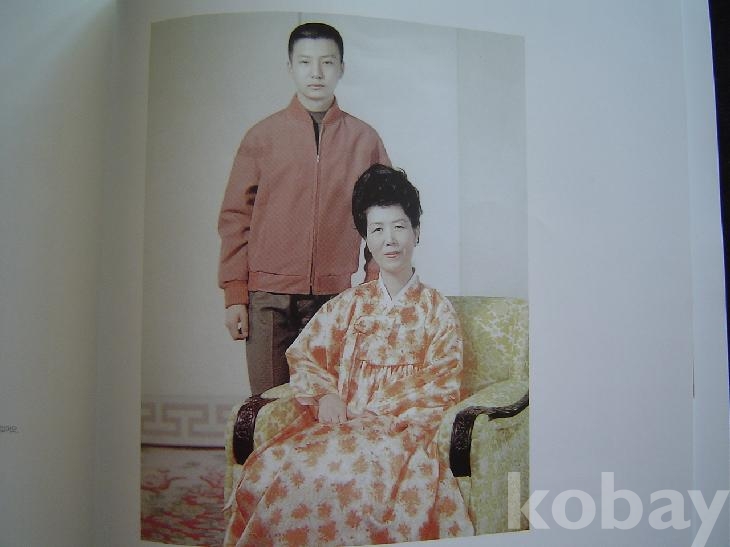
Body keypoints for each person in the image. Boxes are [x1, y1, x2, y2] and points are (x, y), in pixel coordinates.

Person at [223, 164, 474, 547]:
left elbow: (441, 384)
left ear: (416, 232)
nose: (390, 240)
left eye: (399, 227)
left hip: (400, 435)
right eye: (377, 230)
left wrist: (374, 416)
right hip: (339, 428)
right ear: (366, 240)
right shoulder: (348, 305)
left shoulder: (436, 310)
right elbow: (306, 355)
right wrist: (327, 395)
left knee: (374, 486)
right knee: (288, 469)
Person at [218, 22, 390, 395]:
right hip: (267, 300)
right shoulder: (262, 137)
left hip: (334, 300)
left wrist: (373, 285)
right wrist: (235, 293)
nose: (316, 73)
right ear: (290, 68)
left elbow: (386, 219)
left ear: (341, 68)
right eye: (305, 62)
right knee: (268, 409)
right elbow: (235, 218)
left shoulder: (364, 140)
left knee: (325, 409)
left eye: (327, 62)